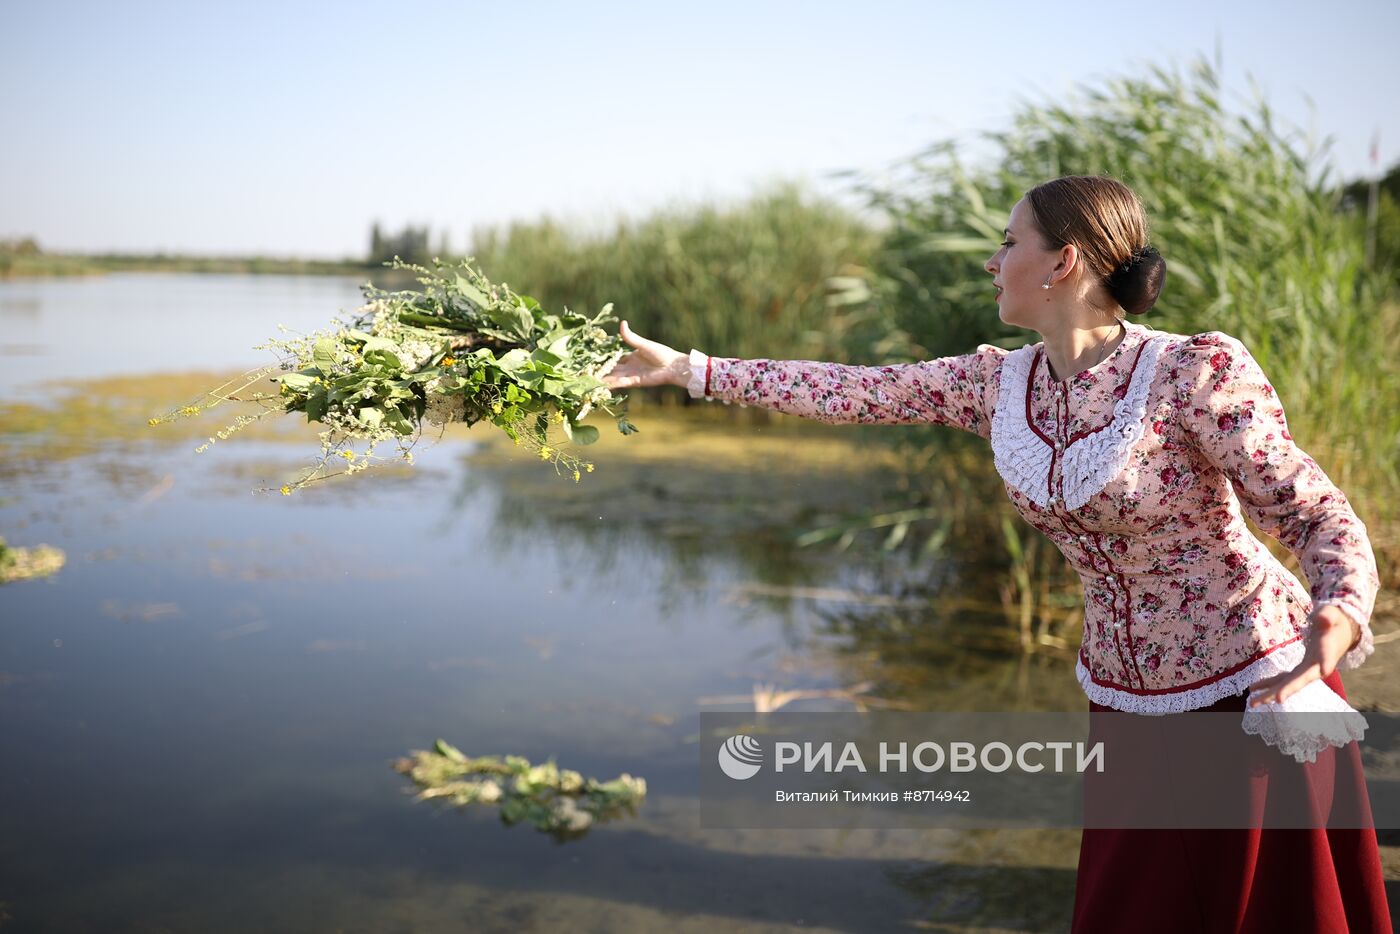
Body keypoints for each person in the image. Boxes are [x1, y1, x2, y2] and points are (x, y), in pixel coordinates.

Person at [601, 175, 1391, 932]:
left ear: (1064, 262)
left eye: (1008, 240)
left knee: (1265, 911)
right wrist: (688, 371)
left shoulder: (1192, 372)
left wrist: (1341, 615)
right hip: (1124, 696)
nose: (991, 260)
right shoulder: (998, 383)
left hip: (1254, 681)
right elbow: (852, 390)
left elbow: (1315, 512)